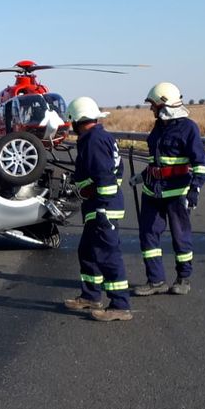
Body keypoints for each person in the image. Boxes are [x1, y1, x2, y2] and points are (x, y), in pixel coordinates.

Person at [134, 82, 205, 296]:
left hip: (177, 193)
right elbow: (157, 161)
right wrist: (141, 177)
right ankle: (155, 280)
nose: (151, 109)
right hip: (152, 192)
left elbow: (201, 164)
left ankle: (183, 278)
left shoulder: (188, 128)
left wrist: (195, 189)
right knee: (148, 234)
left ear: (164, 105)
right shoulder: (158, 127)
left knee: (180, 236)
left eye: (153, 105)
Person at [62, 97, 132, 321]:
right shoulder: (100, 137)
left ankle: (120, 304)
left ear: (76, 120)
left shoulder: (93, 140)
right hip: (99, 205)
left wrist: (101, 207)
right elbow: (116, 170)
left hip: (103, 208)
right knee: (87, 251)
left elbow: (105, 177)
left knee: (107, 255)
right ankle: (90, 296)